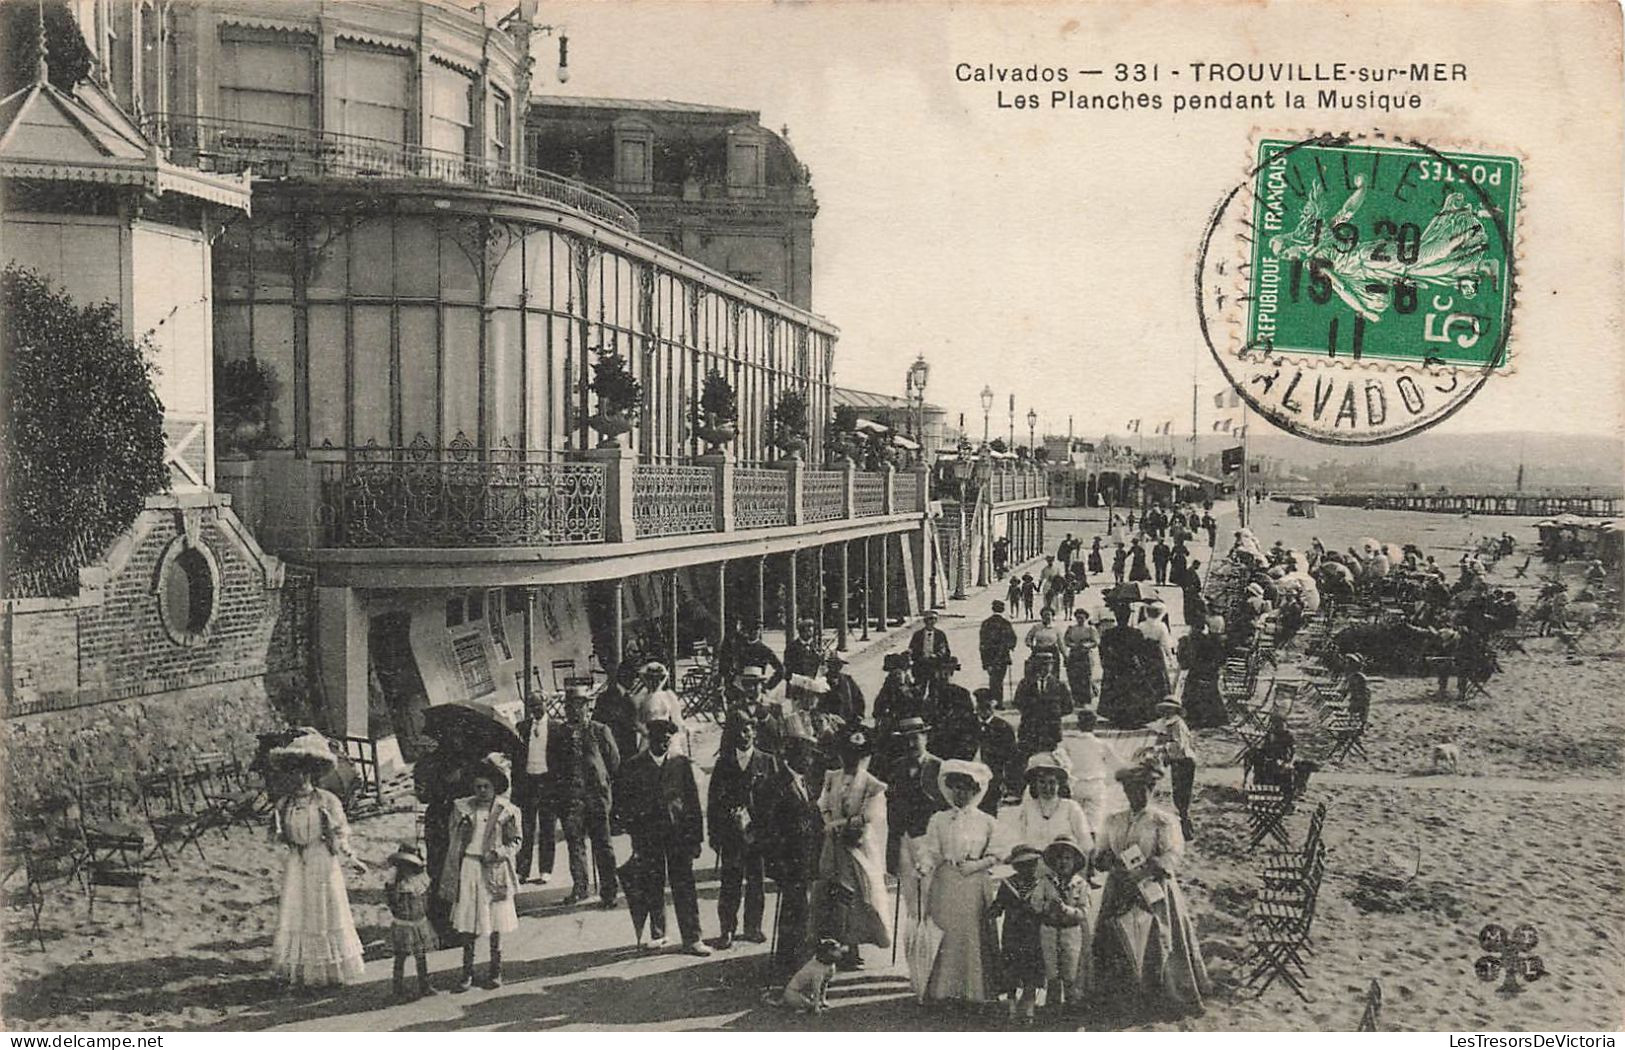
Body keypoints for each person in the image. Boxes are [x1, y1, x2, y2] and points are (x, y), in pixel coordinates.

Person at [1092, 763, 1210, 1019]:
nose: (1135, 795)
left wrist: (1150, 868)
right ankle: (1119, 996)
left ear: (1151, 789)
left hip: (1152, 888)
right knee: (1117, 934)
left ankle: (1158, 994)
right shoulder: (1114, 820)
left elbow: (1174, 853)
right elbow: (1101, 852)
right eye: (1129, 789)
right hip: (1119, 887)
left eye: (1141, 789)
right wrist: (1106, 861)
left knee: (1157, 937)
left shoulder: (1162, 821)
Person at [268, 732, 366, 990]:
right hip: (297, 864)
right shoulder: (284, 804)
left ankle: (331, 971)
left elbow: (340, 832)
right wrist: (286, 846)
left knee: (324, 912)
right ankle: (302, 972)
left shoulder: (327, 801)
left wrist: (350, 856)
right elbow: (277, 838)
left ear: (311, 774)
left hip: (322, 860)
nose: (298, 778)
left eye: (303, 773)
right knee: (298, 914)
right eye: (293, 772)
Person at [914, 760, 1005, 1005]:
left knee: (971, 934)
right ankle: (943, 989)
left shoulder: (986, 821)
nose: (960, 793)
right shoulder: (939, 819)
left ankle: (973, 990)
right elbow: (931, 849)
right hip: (946, 883)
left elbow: (997, 853)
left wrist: (977, 865)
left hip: (974, 884)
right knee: (946, 932)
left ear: (976, 791)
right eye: (955, 787)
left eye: (966, 788)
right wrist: (924, 864)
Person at [616, 719, 710, 956]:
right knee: (652, 884)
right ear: (649, 740)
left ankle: (693, 938)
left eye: (668, 739)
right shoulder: (634, 766)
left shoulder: (681, 764)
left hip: (679, 836)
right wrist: (634, 832)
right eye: (659, 739)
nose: (663, 743)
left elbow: (693, 804)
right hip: (649, 837)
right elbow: (624, 803)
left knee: (684, 886)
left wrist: (696, 838)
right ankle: (658, 934)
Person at [814, 725, 892, 970]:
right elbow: (823, 805)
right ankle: (835, 944)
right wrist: (829, 823)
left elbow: (869, 815)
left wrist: (840, 825)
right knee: (832, 891)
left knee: (857, 895)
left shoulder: (872, 784)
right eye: (847, 754)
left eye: (857, 755)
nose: (851, 760)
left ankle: (854, 944)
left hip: (857, 844)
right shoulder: (831, 777)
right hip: (833, 845)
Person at [442, 753, 521, 990]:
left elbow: (516, 841)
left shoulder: (507, 811)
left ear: (495, 786)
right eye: (478, 786)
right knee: (469, 922)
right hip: (469, 867)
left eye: (486, 786)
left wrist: (498, 852)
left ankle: (496, 970)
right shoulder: (463, 808)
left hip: (494, 868)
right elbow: (453, 839)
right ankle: (467, 972)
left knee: (496, 920)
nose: (482, 790)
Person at [707, 711, 783, 949]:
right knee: (730, 882)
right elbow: (713, 802)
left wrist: (769, 831)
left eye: (750, 728)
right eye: (740, 729)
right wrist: (715, 833)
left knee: (756, 881)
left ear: (755, 732)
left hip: (758, 834)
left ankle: (753, 927)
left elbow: (775, 799)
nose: (746, 734)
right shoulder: (724, 763)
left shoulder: (767, 761)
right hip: (731, 835)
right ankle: (727, 929)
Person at [548, 684, 622, 907]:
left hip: (596, 799)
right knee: (575, 845)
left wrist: (605, 789)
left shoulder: (600, 730)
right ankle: (580, 888)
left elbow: (614, 763)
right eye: (570, 706)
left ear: (587, 707)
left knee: (603, 845)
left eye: (579, 706)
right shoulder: (559, 734)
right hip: (571, 800)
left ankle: (609, 892)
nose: (575, 711)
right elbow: (553, 766)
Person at [765, 735, 827, 975]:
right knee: (793, 907)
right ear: (793, 756)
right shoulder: (777, 784)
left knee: (802, 906)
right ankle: (788, 958)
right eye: (806, 755)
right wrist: (777, 863)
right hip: (788, 859)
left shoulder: (805, 780)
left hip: (806, 855)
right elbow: (770, 828)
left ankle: (797, 953)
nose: (810, 760)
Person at [989, 844, 1049, 1023]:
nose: (1027, 869)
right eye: (1022, 865)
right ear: (1015, 866)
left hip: (1034, 933)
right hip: (1012, 933)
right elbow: (999, 904)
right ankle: (1012, 1005)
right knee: (1011, 968)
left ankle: (1029, 1005)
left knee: (1032, 968)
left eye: (1031, 864)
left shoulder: (1042, 883)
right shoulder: (1008, 884)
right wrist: (993, 910)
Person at [1040, 835, 1094, 1014]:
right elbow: (1035, 903)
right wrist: (1047, 906)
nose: (1062, 862)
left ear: (1075, 861)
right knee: (1052, 971)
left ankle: (1072, 1007)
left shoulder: (1081, 885)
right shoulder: (1046, 882)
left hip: (1071, 932)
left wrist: (1067, 910)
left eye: (1067, 858)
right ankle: (1052, 1007)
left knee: (1071, 970)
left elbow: (1085, 911)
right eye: (1058, 858)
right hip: (1049, 930)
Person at [512, 693, 557, 885]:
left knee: (547, 828)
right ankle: (522, 870)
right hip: (528, 784)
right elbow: (515, 758)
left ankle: (546, 870)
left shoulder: (556, 728)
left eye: (538, 705)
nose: (536, 710)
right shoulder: (522, 728)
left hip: (547, 783)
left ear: (546, 704)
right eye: (532, 706)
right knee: (526, 828)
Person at [384, 842, 437, 1000]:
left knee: (421, 955)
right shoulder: (395, 883)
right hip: (404, 924)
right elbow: (392, 901)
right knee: (401, 956)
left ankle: (424, 984)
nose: (407, 869)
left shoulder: (420, 880)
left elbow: (425, 899)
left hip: (419, 922)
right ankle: (397, 987)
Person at [1012, 752, 1094, 853]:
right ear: (1035, 784)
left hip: (1062, 863)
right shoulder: (1027, 808)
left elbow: (1086, 843)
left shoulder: (1071, 807)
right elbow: (1018, 840)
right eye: (1042, 782)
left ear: (1059, 784)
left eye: (1052, 782)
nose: (1047, 787)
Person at [1150, 698, 1197, 839]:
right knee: (1178, 795)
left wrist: (1162, 747)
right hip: (1178, 761)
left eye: (1169, 709)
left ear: (1175, 710)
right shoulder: (1169, 724)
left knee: (1182, 795)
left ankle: (1186, 827)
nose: (1166, 712)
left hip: (1185, 761)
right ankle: (1185, 825)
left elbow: (1179, 746)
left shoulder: (1177, 724)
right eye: (1165, 709)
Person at [1013, 652, 1070, 764]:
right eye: (1042, 664)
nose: (1046, 667)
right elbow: (1018, 702)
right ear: (1036, 666)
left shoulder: (1059, 685)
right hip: (1030, 729)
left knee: (1049, 761)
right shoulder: (1025, 684)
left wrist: (1053, 714)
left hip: (1050, 730)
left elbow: (1068, 707)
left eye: (1049, 664)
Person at [1063, 707, 1113, 831]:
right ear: (1094, 725)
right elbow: (1117, 764)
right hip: (1095, 786)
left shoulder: (1068, 743)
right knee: (1094, 824)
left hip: (1075, 785)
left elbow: (1062, 762)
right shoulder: (1101, 744)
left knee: (1074, 824)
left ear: (1078, 724)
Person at [970, 688, 1018, 814]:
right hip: (971, 775)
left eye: (987, 706)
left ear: (993, 706)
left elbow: (1012, 757)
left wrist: (1009, 782)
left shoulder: (1003, 728)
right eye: (980, 706)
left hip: (993, 777)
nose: (984, 710)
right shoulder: (967, 724)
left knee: (989, 811)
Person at [1176, 615, 1229, 730]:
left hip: (1199, 673)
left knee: (1193, 687)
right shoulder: (1219, 642)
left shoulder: (1201, 640)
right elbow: (1221, 660)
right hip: (1210, 673)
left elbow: (1189, 660)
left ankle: (1195, 715)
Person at [926, 657, 979, 761]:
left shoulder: (961, 694)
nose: (943, 675)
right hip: (936, 747)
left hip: (958, 745)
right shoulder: (931, 695)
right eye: (940, 671)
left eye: (948, 672)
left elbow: (971, 722)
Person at [632, 662, 688, 755]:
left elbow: (676, 718)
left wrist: (676, 729)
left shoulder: (669, 696)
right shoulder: (641, 698)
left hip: (666, 735)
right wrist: (645, 732)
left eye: (658, 679)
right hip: (649, 735)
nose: (655, 682)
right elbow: (636, 721)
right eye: (651, 679)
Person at [592, 677, 641, 769]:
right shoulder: (603, 699)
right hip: (612, 741)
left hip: (623, 741)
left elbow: (634, 724)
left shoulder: (628, 700)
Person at [979, 600, 1019, 708]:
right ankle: (998, 702)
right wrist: (1010, 647)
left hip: (989, 656)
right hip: (1003, 656)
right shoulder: (1006, 623)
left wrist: (984, 660)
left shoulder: (986, 623)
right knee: (999, 679)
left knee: (993, 679)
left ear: (993, 609)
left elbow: (982, 642)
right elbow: (1013, 639)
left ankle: (994, 700)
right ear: (1003, 609)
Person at [873, 653, 923, 734]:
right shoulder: (908, 680)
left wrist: (878, 714)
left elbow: (881, 700)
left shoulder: (891, 681)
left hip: (898, 719)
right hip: (915, 718)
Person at [818, 651, 866, 730]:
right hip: (830, 724)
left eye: (838, 664)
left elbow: (858, 698)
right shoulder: (821, 681)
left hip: (849, 722)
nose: (835, 668)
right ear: (828, 665)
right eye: (832, 664)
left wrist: (859, 715)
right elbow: (818, 705)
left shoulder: (847, 680)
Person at [1062, 607, 1100, 706]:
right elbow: (1066, 640)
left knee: (1085, 676)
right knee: (1074, 676)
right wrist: (1072, 645)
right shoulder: (1071, 628)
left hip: (1085, 654)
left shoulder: (1090, 629)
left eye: (1082, 618)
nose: (1080, 619)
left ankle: (1086, 698)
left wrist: (1086, 645)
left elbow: (1096, 642)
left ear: (1086, 618)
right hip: (1074, 654)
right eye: (1078, 617)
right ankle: (1076, 698)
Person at [908, 609, 953, 682]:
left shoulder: (940, 634)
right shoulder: (918, 635)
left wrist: (937, 655)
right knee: (919, 687)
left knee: (935, 687)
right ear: (925, 621)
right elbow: (912, 648)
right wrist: (918, 656)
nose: (933, 621)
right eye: (930, 619)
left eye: (935, 619)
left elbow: (944, 649)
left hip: (935, 664)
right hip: (921, 664)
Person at [1023, 606, 1066, 671]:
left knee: (1053, 674)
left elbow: (1061, 644)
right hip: (1038, 650)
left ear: (1052, 616)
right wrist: (1030, 645)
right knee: (1031, 669)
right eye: (1045, 615)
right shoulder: (1036, 627)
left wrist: (1065, 656)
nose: (1047, 617)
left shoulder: (1056, 629)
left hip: (1052, 651)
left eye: (1049, 615)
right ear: (1042, 617)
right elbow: (1028, 638)